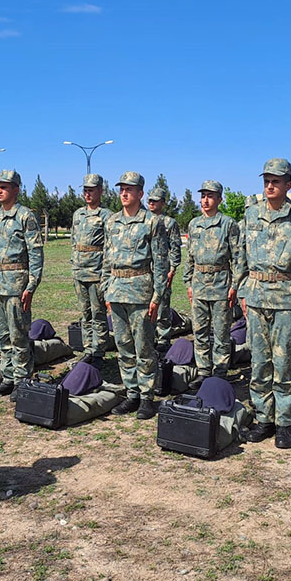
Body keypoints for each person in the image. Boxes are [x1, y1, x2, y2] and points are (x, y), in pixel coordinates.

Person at [234, 158, 291, 449]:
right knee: (259, 362)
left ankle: (284, 423)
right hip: (256, 295)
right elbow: (241, 256)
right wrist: (242, 290)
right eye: (267, 181)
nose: (270, 186)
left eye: (276, 181)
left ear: (288, 185)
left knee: (283, 363)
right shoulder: (251, 214)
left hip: (285, 297)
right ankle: (264, 419)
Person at [102, 171, 169, 419]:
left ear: (140, 193)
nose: (124, 193)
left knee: (144, 347)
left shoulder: (151, 222)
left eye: (129, 189)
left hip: (141, 291)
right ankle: (131, 393)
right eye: (121, 189)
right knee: (123, 346)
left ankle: (147, 397)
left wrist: (157, 297)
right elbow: (106, 261)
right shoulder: (112, 222)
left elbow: (160, 263)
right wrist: (105, 291)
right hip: (117, 290)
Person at [0, 169, 44, 398]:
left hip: (16, 285)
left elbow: (36, 253)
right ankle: (8, 376)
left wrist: (31, 286)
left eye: (4, 186)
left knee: (19, 334)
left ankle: (22, 379)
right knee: (2, 335)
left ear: (16, 189)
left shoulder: (25, 216)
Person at [183, 180, 240, 388]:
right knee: (199, 330)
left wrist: (235, 285)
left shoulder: (228, 224)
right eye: (203, 196)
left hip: (221, 284)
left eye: (210, 196)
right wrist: (188, 282)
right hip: (199, 283)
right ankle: (203, 370)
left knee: (221, 331)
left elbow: (237, 258)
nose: (205, 200)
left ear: (219, 199)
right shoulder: (194, 224)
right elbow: (189, 256)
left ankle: (220, 371)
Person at [70, 173, 112, 369]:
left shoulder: (107, 216)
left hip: (96, 272)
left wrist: (106, 274)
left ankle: (98, 350)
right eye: (85, 190)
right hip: (79, 271)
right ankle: (88, 348)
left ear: (100, 191)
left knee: (98, 313)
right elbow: (73, 242)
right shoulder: (78, 214)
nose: (87, 193)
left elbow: (110, 248)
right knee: (85, 313)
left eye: (91, 190)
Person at [147, 186, 182, 352]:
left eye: (155, 201)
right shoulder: (144, 220)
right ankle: (149, 336)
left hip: (163, 269)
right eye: (150, 200)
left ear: (163, 203)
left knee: (162, 305)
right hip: (146, 270)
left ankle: (163, 338)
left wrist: (173, 269)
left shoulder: (170, 223)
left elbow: (175, 247)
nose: (152, 203)